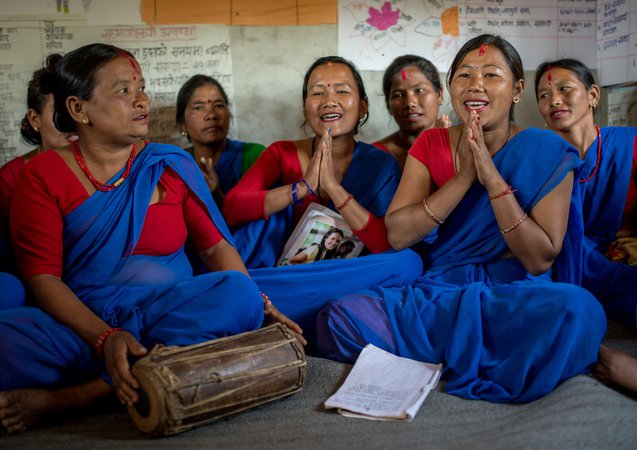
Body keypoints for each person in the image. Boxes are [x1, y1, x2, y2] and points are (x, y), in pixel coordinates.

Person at [0, 43, 301, 434]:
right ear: (78, 109)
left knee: (237, 294)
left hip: (168, 312)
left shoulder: (168, 163)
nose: (141, 100)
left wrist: (260, 302)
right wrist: (105, 337)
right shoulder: (41, 176)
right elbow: (44, 279)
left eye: (141, 87)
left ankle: (85, 394)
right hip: (82, 325)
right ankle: (148, 369)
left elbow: (215, 247)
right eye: (123, 90)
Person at [316, 34, 606, 403]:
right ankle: (475, 351)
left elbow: (539, 258)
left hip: (513, 290)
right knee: (340, 316)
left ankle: (442, 354)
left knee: (578, 311)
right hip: (441, 288)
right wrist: (464, 177)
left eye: (491, 75)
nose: (476, 86)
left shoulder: (547, 150)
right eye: (464, 75)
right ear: (450, 86)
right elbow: (399, 234)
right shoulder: (431, 143)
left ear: (517, 89)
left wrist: (492, 177)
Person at [221, 56, 423, 345]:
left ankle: (255, 301)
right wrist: (300, 189)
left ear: (363, 105)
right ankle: (282, 305)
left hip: (339, 275)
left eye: (342, 91)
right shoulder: (281, 153)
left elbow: (384, 243)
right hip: (282, 272)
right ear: (305, 107)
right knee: (268, 214)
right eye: (317, 93)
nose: (329, 100)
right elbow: (231, 208)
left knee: (408, 262)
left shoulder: (380, 164)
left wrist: (334, 190)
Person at [534, 58, 637, 400]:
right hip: (570, 260)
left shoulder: (632, 145)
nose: (554, 100)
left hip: (627, 258)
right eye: (543, 95)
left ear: (593, 95)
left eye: (564, 89)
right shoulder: (539, 156)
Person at [0, 53, 77, 266]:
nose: (70, 123)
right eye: (60, 112)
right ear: (35, 119)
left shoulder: (105, 169)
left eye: (76, 109)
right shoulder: (10, 179)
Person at [176, 74, 265, 207]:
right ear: (182, 124)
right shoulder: (176, 165)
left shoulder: (254, 156)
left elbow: (265, 215)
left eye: (218, 106)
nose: (211, 115)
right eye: (199, 108)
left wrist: (217, 196)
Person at [373, 55, 451, 170]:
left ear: (439, 94)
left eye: (419, 90)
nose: (409, 103)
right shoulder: (375, 156)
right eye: (398, 95)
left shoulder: (465, 144)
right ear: (387, 103)